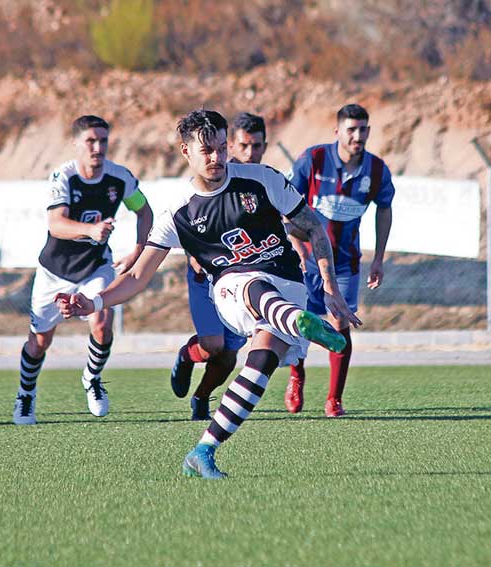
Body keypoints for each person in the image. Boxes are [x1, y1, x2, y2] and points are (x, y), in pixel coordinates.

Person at [57, 109, 360, 479]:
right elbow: (137, 276)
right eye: (207, 151)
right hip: (233, 291)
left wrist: (330, 288)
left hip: (287, 283)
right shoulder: (178, 213)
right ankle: (298, 321)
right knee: (251, 285)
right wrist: (94, 302)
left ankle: (203, 450)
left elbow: (313, 227)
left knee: (260, 366)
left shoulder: (262, 180)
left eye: (221, 147)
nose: (217, 158)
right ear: (186, 151)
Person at [13, 115, 154, 425]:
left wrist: (138, 250)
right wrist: (90, 231)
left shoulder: (120, 178)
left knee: (102, 322)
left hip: (96, 267)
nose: (97, 147)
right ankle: (26, 395)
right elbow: (56, 224)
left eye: (102, 140)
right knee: (39, 343)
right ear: (76, 143)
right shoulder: (63, 177)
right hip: (54, 270)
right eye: (90, 141)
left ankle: (92, 378)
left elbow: (144, 211)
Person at [285, 104, 394, 417]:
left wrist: (379, 259)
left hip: (345, 262)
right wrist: (300, 248)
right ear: (338, 132)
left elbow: (384, 210)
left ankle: (334, 398)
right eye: (351, 129)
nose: (357, 136)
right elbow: (287, 207)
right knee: (299, 323)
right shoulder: (313, 160)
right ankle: (296, 376)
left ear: (369, 132)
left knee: (339, 324)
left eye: (362, 130)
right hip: (305, 261)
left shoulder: (375, 170)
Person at [170, 112, 269, 421]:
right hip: (208, 278)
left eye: (257, 146)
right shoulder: (207, 182)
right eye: (243, 146)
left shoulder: (261, 181)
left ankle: (201, 397)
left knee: (227, 357)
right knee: (213, 345)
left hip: (245, 279)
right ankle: (187, 356)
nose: (250, 153)